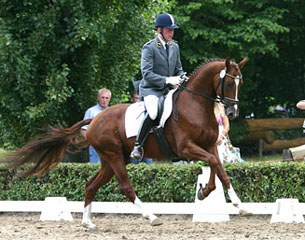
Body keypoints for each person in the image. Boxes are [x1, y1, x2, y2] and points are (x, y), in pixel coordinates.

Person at [130, 13, 185, 161]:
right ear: (159, 30)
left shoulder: (175, 46)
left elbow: (178, 69)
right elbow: (147, 74)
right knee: (154, 112)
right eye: (168, 30)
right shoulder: (150, 47)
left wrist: (182, 77)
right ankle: (138, 145)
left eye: (173, 30)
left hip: (169, 90)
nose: (171, 33)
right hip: (151, 90)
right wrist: (168, 80)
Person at [81, 88, 112, 163]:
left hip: (109, 146)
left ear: (109, 99)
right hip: (95, 146)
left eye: (107, 98)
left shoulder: (112, 112)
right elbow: (83, 129)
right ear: (98, 98)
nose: (104, 100)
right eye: (102, 97)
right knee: (95, 167)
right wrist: (91, 141)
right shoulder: (91, 111)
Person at [130, 90, 153, 165]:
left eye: (140, 99)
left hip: (146, 144)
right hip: (132, 143)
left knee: (149, 168)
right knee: (133, 167)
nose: (138, 101)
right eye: (136, 98)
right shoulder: (129, 111)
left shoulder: (146, 110)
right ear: (132, 99)